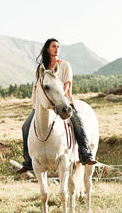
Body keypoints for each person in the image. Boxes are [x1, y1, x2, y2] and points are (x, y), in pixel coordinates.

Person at [17, 38, 97, 173]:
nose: (56, 49)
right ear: (48, 49)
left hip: (63, 102)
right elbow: (37, 87)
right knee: (25, 126)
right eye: (54, 46)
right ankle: (28, 161)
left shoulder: (65, 65)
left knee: (77, 121)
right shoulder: (41, 68)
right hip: (43, 104)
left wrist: (60, 99)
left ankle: (85, 153)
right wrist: (36, 104)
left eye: (58, 46)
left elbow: (67, 84)